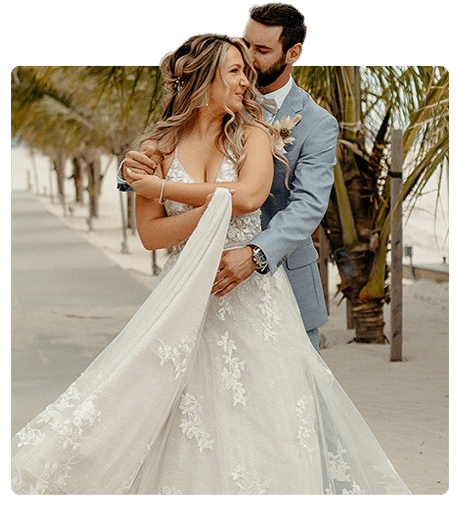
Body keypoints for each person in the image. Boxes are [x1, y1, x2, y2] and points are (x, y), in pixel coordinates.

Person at [11, 33, 412, 495]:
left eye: (248, 68)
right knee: (184, 416)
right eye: (237, 71)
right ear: (203, 80)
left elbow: (248, 197)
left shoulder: (253, 133)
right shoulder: (157, 145)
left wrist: (162, 191)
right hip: (188, 297)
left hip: (256, 301)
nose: (248, 80)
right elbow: (151, 234)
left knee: (272, 421)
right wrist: (208, 214)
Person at [118, 3, 338, 353]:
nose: (249, 61)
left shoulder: (315, 124)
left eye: (262, 51)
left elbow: (307, 207)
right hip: (194, 281)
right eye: (246, 44)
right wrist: (134, 171)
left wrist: (255, 254)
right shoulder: (218, 98)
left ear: (292, 53)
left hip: (278, 280)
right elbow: (169, 151)